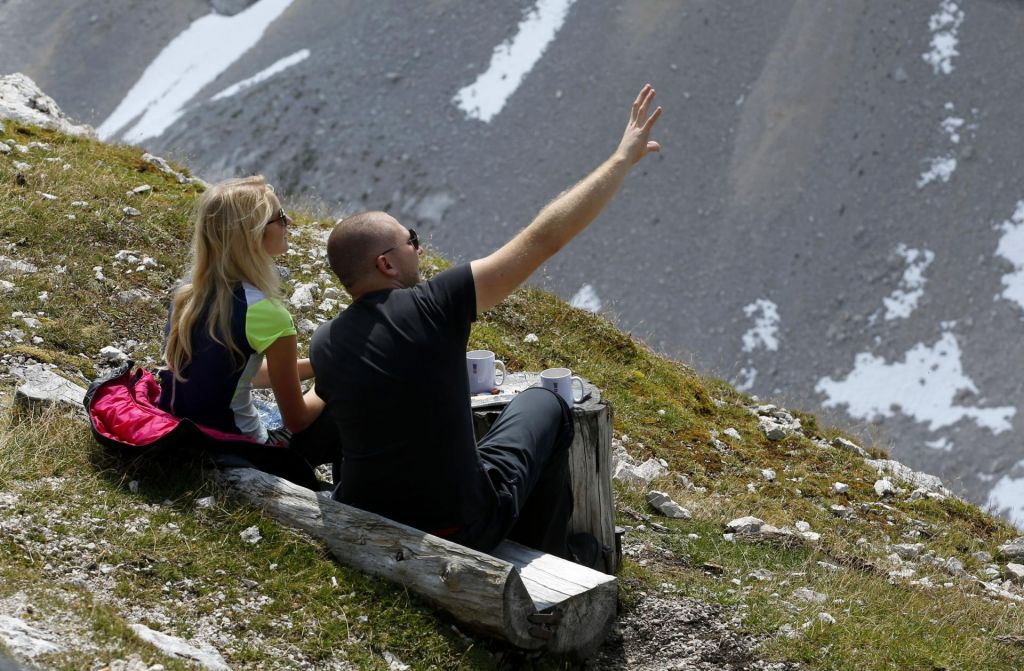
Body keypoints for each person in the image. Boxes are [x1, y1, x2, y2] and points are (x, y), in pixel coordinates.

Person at [310, 85, 663, 557]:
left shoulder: (325, 343)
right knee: (546, 404)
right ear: (386, 264)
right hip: (459, 527)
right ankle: (555, 553)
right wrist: (621, 158)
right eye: (410, 239)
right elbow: (544, 239)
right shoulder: (435, 303)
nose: (419, 246)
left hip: (369, 516)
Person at [159, 176, 336, 489]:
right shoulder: (267, 313)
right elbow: (296, 419)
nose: (289, 221)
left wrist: (322, 366)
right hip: (236, 445)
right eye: (280, 218)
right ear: (253, 234)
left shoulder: (186, 295)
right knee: (342, 405)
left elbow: (243, 375)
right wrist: (332, 383)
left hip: (183, 431)